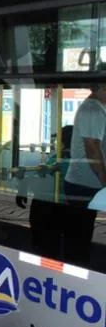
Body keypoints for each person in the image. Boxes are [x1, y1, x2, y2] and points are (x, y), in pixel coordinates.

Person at [63, 84, 106, 266]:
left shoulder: (97, 109)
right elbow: (92, 149)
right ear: (101, 87)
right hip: (86, 185)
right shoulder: (92, 110)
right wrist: (105, 183)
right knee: (81, 241)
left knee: (83, 238)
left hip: (88, 184)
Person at [16, 126, 72, 260]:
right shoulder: (81, 160)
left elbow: (38, 179)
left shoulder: (58, 160)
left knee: (44, 248)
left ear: (62, 142)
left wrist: (22, 190)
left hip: (49, 208)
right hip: (69, 209)